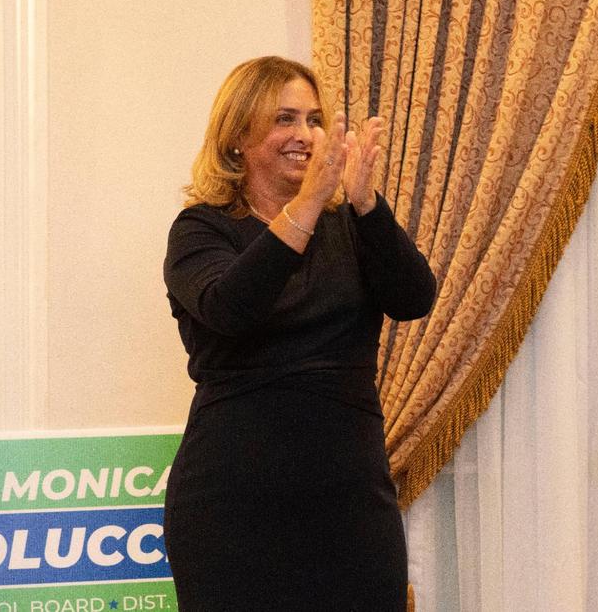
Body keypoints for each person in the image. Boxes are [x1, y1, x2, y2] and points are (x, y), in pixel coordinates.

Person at [162, 56, 436, 610]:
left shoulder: (349, 225)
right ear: (239, 134)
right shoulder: (201, 229)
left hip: (350, 498)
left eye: (314, 120)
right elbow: (231, 307)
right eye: (285, 118)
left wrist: (364, 203)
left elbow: (414, 298)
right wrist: (309, 200)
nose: (304, 135)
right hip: (234, 502)